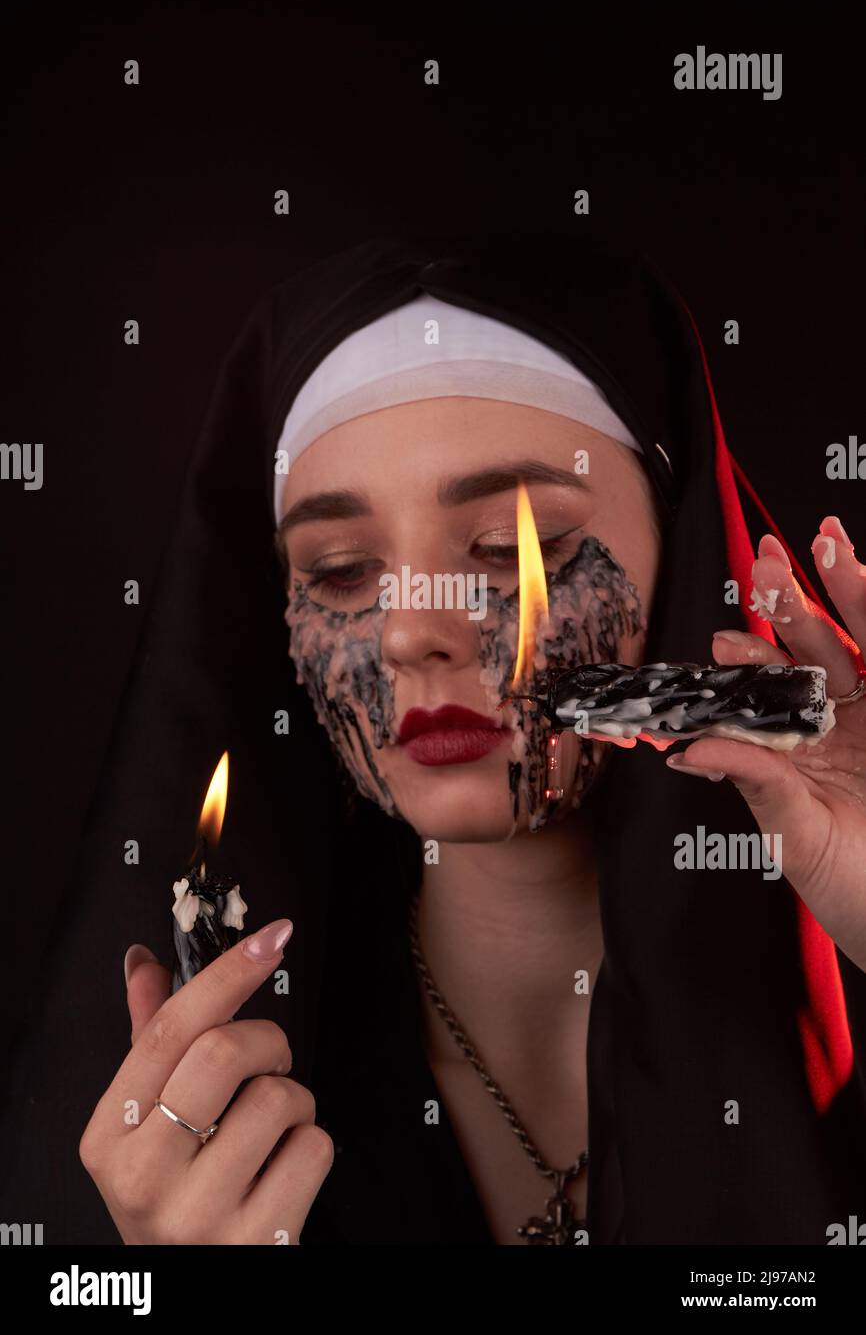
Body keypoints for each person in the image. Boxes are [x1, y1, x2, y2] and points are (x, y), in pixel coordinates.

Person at [16, 231, 866, 1244]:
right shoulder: (228, 1121)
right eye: (338, 570)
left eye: (516, 547)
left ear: (677, 554)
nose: (415, 628)